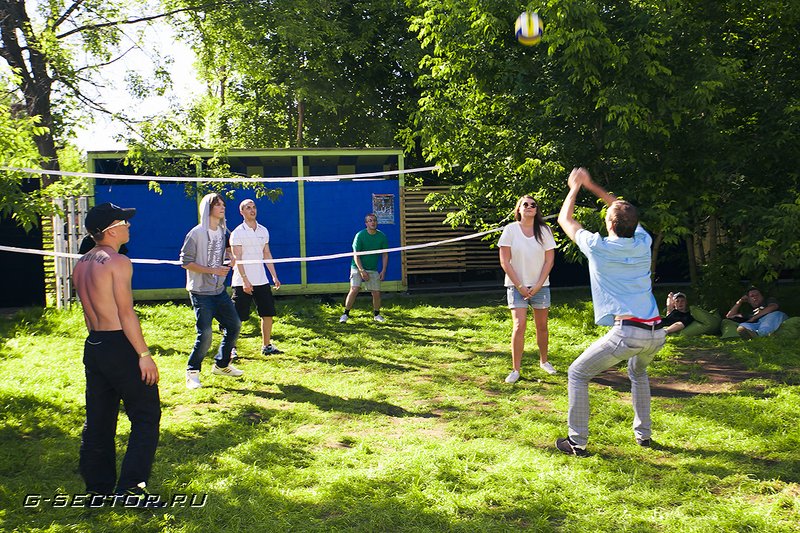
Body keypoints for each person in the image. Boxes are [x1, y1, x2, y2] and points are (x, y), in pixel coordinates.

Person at [556, 167, 666, 456]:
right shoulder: (644, 243)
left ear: (608, 224)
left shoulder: (598, 246)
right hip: (656, 332)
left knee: (577, 373)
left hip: (628, 333)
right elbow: (621, 209)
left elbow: (565, 219)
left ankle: (576, 442)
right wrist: (595, 186)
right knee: (637, 372)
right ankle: (644, 435)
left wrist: (576, 187)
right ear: (634, 224)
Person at [73, 202, 161, 505]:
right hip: (118, 345)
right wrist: (143, 354)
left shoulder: (82, 262)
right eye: (124, 221)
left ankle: (97, 489)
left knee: (98, 419)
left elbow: (88, 314)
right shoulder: (118, 262)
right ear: (110, 229)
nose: (129, 226)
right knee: (146, 415)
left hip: (94, 344)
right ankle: (131, 490)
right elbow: (126, 313)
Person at [180, 193, 243, 389]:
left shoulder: (223, 231)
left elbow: (226, 249)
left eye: (223, 204)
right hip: (200, 292)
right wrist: (212, 270)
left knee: (235, 326)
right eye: (217, 205)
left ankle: (221, 364)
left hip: (219, 290)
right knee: (205, 334)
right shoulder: (196, 233)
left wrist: (230, 257)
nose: (222, 207)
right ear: (208, 209)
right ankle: (192, 372)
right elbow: (185, 262)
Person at [498, 195, 558, 383]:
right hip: (516, 287)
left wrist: (539, 284)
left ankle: (544, 361)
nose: (530, 207)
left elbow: (549, 260)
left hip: (541, 286)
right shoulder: (510, 230)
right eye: (526, 204)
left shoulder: (544, 230)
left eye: (533, 205)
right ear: (519, 209)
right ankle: (515, 369)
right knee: (519, 325)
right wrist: (521, 286)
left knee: (542, 327)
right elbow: (505, 261)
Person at [230, 199, 283, 356]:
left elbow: (266, 254)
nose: (252, 210)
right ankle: (231, 348)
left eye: (254, 207)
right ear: (242, 212)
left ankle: (266, 346)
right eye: (248, 208)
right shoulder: (237, 233)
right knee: (237, 317)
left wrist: (274, 276)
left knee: (267, 314)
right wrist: (245, 280)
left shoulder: (263, 231)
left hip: (262, 281)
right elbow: (237, 258)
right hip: (242, 282)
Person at [339, 213, 389, 323]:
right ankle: (345, 314)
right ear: (366, 223)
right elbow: (356, 255)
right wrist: (361, 271)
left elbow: (385, 254)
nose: (373, 222)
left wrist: (383, 270)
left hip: (372, 268)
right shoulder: (360, 235)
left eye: (374, 220)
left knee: (376, 292)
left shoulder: (382, 236)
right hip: (357, 266)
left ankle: (377, 315)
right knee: (355, 289)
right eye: (370, 220)